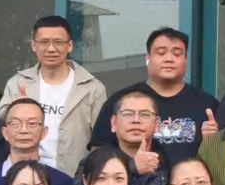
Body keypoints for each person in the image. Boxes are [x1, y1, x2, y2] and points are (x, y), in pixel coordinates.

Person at [90, 28, 216, 167]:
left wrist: (212, 142)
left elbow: (223, 161)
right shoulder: (122, 101)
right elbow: (97, 159)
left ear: (185, 60)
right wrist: (132, 167)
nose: (169, 59)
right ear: (147, 58)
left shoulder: (207, 104)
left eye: (177, 54)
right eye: (161, 53)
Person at [0, 16, 107, 170]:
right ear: (34, 45)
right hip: (24, 173)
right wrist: (17, 108)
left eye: (58, 42)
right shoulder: (18, 83)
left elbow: (101, 139)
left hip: (73, 174)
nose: (51, 49)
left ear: (70, 46)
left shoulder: (92, 88)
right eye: (44, 42)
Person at [86, 86, 170, 185]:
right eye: (128, 114)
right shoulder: (95, 160)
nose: (136, 120)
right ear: (113, 123)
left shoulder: (169, 162)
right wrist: (131, 167)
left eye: (144, 114)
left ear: (157, 124)